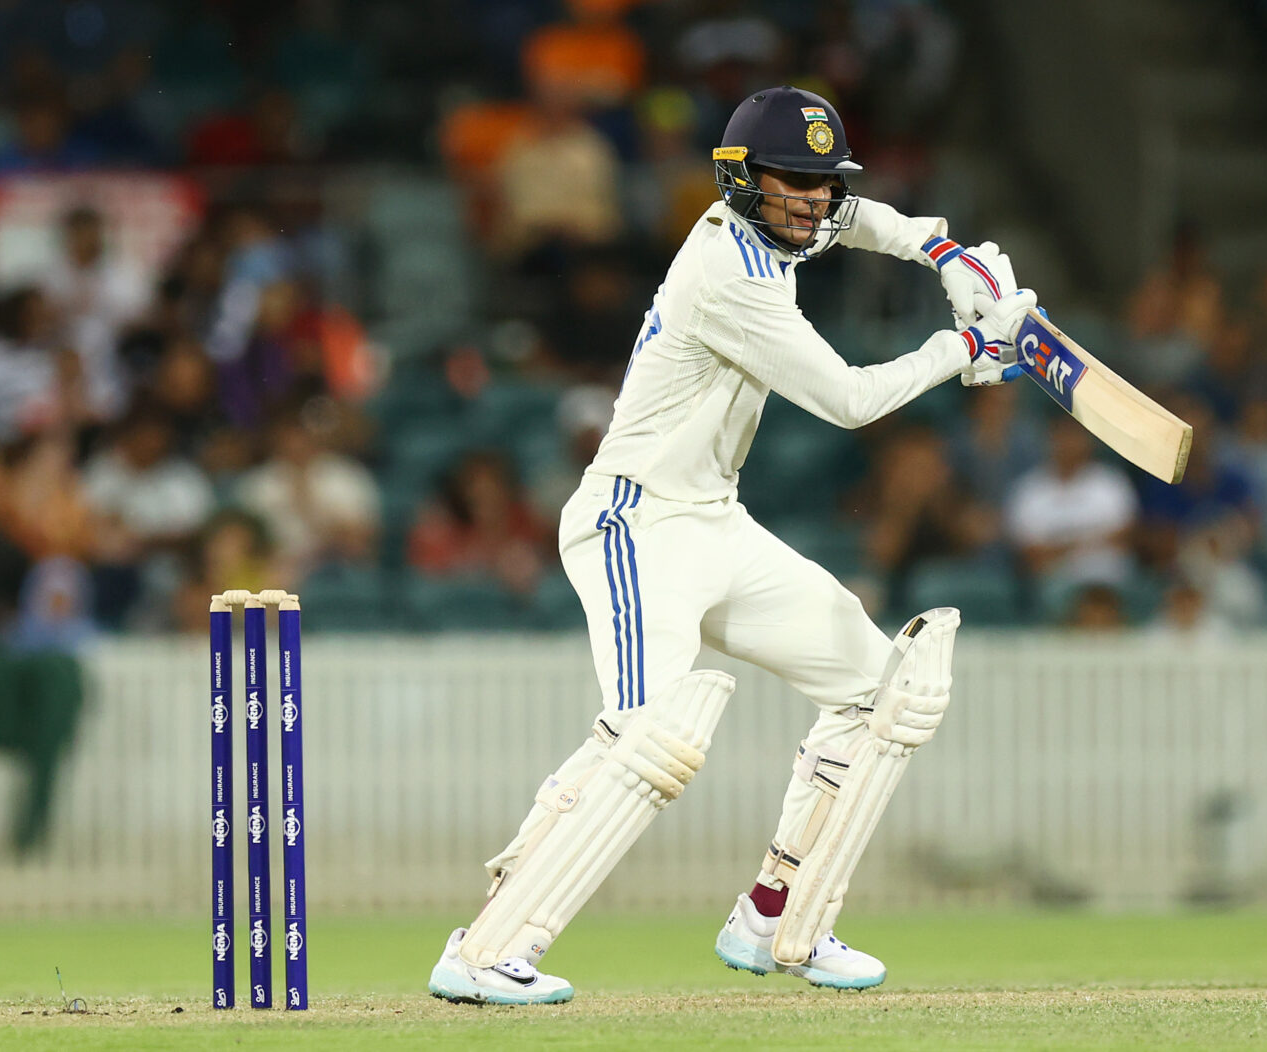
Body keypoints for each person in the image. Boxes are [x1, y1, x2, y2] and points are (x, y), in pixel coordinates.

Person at [428, 86, 1037, 1005]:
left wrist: (938, 246)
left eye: (822, 184)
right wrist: (968, 343)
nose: (815, 202)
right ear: (742, 181)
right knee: (651, 738)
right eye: (795, 183)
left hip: (713, 519)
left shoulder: (788, 223)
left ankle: (777, 918)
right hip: (633, 526)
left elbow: (860, 218)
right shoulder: (731, 273)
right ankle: (481, 952)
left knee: (885, 690)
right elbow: (850, 401)